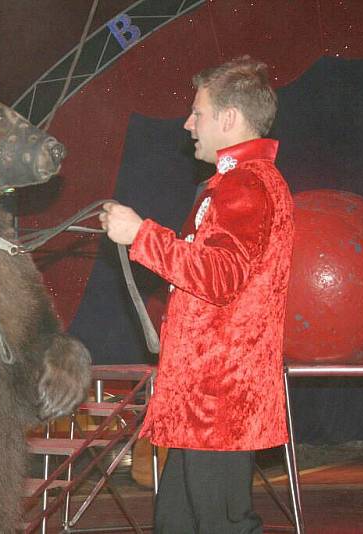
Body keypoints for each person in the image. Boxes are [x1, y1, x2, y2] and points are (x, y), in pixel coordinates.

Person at [99, 56, 294, 533]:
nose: (188, 124)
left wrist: (140, 234)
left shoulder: (246, 184)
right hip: (204, 402)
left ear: (229, 119)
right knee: (180, 525)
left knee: (220, 525)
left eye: (197, 113)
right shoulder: (232, 183)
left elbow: (221, 276)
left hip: (219, 402)